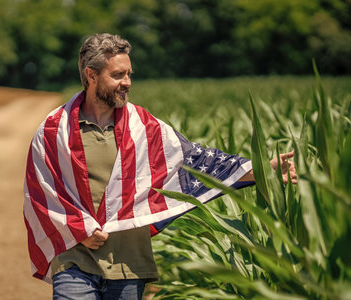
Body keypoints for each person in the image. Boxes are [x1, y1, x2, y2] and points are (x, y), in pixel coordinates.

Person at [23, 33, 297, 300]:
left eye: (129, 74)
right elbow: (41, 192)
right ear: (91, 75)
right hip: (74, 260)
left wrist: (264, 170)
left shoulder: (144, 126)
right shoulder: (53, 129)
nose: (126, 82)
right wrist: (77, 230)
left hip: (129, 263)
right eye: (117, 75)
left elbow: (197, 163)